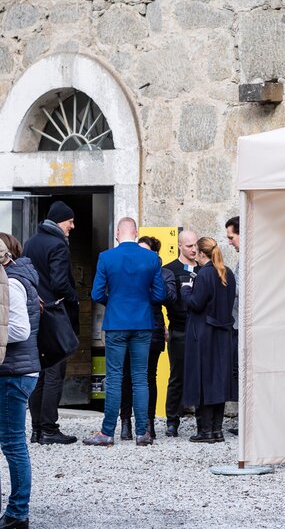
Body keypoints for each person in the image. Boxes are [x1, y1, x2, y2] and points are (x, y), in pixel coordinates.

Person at [84, 218, 165, 446]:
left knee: (115, 378)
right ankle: (142, 433)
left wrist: (115, 302)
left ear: (118, 233)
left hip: (116, 323)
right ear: (137, 233)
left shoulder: (106, 257)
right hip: (142, 322)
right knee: (141, 378)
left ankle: (107, 432)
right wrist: (140, 300)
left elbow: (97, 293)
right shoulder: (151, 258)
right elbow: (159, 295)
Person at [23, 200, 79, 445]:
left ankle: (36, 429)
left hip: (35, 314)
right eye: (70, 221)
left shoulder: (31, 242)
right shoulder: (58, 244)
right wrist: (73, 299)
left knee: (39, 373)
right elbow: (59, 282)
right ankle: (49, 428)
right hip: (54, 314)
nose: (73, 226)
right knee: (55, 371)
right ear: (60, 221)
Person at [117, 236, 176, 440]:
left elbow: (169, 297)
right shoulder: (126, 270)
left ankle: (148, 424)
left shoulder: (164, 273)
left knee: (149, 377)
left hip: (152, 329)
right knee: (126, 377)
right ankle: (125, 423)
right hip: (126, 326)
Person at [180, 237, 236, 443]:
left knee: (202, 380)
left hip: (204, 334)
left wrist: (185, 289)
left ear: (202, 254)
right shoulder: (227, 272)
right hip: (223, 333)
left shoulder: (204, 274)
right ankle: (217, 430)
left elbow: (195, 303)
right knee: (218, 381)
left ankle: (205, 431)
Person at [0, 235, 40, 528]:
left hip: (15, 374)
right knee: (11, 443)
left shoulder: (12, 283)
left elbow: (19, 330)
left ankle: (17, 513)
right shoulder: (15, 278)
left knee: (14, 444)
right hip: (15, 371)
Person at [162, 229, 199, 437]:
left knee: (202, 375)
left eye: (195, 245)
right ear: (179, 246)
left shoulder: (204, 268)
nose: (193, 249)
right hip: (179, 329)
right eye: (189, 246)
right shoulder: (169, 270)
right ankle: (172, 421)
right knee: (177, 377)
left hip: (201, 332)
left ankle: (204, 421)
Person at [225, 216, 240, 436]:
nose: (229, 242)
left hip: (243, 325)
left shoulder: (247, 259)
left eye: (231, 237)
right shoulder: (241, 259)